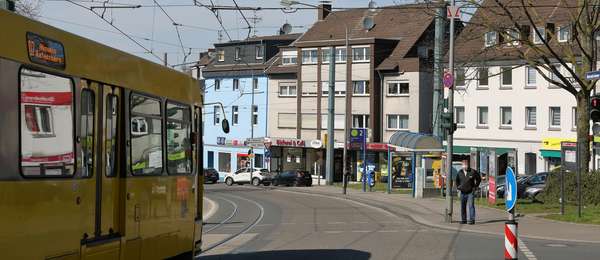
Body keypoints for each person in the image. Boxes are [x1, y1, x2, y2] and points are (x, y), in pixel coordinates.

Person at [455, 159, 481, 225]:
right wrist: (458, 187)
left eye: (466, 165)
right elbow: (457, 180)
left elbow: (479, 178)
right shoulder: (460, 172)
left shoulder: (472, 172)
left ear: (468, 165)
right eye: (464, 165)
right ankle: (464, 220)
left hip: (470, 192)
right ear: (462, 165)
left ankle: (472, 220)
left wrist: (475, 186)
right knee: (463, 206)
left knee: (471, 205)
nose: (465, 166)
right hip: (462, 192)